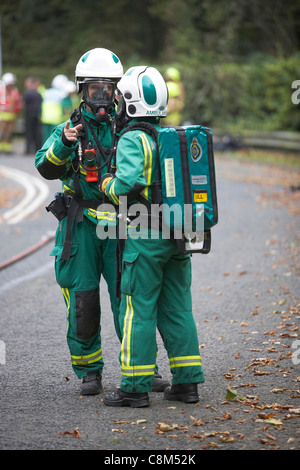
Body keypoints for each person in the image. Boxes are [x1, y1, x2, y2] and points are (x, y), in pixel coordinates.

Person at [35, 49, 168, 396]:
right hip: (79, 227)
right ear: (82, 90)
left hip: (120, 225)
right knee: (83, 301)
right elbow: (44, 167)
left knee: (130, 299)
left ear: (117, 91)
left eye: (107, 89)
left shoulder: (128, 128)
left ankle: (141, 369)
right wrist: (65, 144)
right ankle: (89, 371)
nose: (100, 96)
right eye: (93, 88)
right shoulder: (68, 130)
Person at [100, 66, 205, 408]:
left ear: (130, 102)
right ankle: (187, 384)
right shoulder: (168, 137)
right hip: (179, 233)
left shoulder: (134, 138)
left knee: (138, 309)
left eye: (119, 100)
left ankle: (134, 387)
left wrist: (106, 185)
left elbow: (128, 184)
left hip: (146, 236)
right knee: (177, 308)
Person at [40, 74, 68, 143]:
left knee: (45, 138)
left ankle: (44, 152)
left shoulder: (47, 92)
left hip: (45, 118)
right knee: (54, 138)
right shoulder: (63, 94)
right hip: (56, 119)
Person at [0, 72, 23, 154]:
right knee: (1, 132)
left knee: (9, 133)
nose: (11, 85)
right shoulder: (1, 90)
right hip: (2, 116)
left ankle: (7, 149)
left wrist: (17, 108)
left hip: (12, 116)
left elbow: (19, 102)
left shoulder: (14, 91)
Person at [23, 76, 43, 155]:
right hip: (37, 114)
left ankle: (28, 149)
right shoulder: (38, 93)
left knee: (29, 132)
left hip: (29, 114)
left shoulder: (27, 92)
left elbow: (23, 103)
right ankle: (37, 149)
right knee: (37, 132)